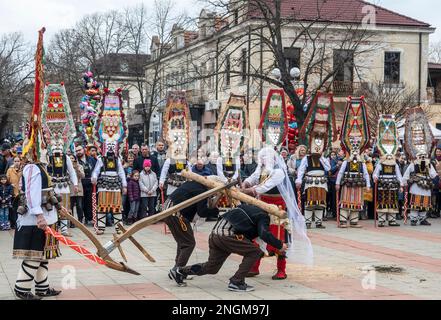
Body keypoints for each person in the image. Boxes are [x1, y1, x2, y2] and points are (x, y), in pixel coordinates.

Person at [171, 204, 288, 292]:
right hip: (227, 235)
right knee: (254, 252)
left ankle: (180, 271)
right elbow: (264, 234)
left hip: (215, 235)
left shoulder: (247, 207)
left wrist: (268, 251)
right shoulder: (263, 216)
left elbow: (254, 238)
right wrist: (280, 245)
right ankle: (236, 281)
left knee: (212, 267)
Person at [241, 148, 293, 280]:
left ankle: (281, 269)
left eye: (265, 157)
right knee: (257, 236)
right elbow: (253, 177)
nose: (263, 160)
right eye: (262, 157)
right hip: (262, 205)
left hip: (277, 208)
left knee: (278, 238)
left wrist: (246, 191)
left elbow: (264, 186)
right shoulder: (262, 169)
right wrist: (245, 183)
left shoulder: (279, 171)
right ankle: (254, 267)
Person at [165, 180, 219, 285]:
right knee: (188, 244)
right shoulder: (202, 191)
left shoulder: (193, 183)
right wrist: (215, 211)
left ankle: (176, 269)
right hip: (176, 214)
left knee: (182, 242)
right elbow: (202, 212)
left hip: (168, 211)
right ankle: (178, 271)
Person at [91, 142, 127, 235]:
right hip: (103, 185)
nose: (110, 149)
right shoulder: (100, 159)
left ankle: (119, 228)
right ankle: (101, 228)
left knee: (117, 207)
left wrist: (124, 185)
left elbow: (121, 172)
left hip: (115, 185)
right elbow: (96, 170)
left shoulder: (117, 159)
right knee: (102, 207)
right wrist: (94, 178)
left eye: (112, 147)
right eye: (108, 147)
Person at [46, 145, 78, 237]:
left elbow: (71, 171)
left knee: (64, 208)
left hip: (64, 187)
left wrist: (75, 184)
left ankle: (64, 230)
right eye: (55, 144)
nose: (57, 147)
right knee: (51, 208)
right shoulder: (48, 157)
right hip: (52, 187)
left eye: (59, 145)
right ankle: (52, 229)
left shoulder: (66, 157)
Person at [76, 145, 97, 225]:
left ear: (84, 149)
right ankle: (81, 218)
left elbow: (96, 169)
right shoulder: (76, 160)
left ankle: (90, 218)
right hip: (80, 184)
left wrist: (94, 178)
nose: (78, 152)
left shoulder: (91, 159)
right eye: (77, 151)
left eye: (79, 150)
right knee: (81, 203)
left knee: (90, 202)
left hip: (90, 183)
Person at [7, 156, 23, 229]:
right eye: (15, 161)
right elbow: (7, 180)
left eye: (18, 161)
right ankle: (14, 223)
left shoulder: (22, 170)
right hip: (12, 192)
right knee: (13, 208)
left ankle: (20, 222)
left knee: (20, 208)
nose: (17, 163)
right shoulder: (10, 170)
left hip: (20, 193)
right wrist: (10, 184)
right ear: (13, 162)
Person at [69, 155, 85, 224]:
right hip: (70, 187)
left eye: (73, 158)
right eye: (70, 158)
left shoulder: (80, 166)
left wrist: (77, 169)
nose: (72, 160)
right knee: (71, 206)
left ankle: (80, 220)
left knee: (79, 205)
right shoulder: (67, 167)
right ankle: (72, 221)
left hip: (78, 187)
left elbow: (83, 176)